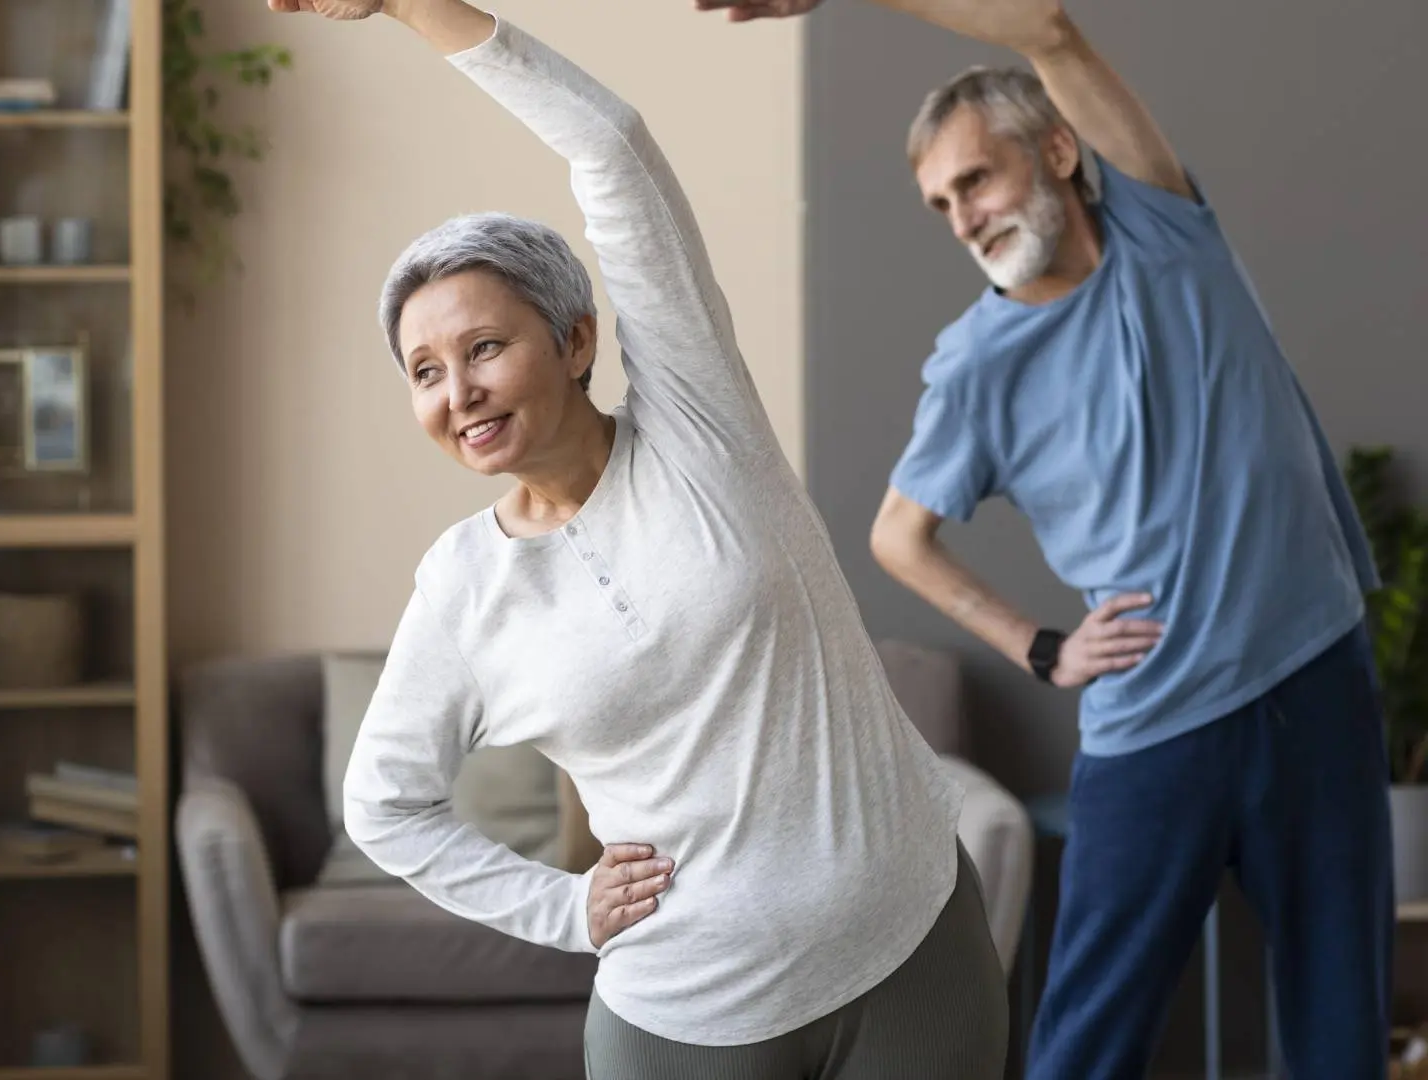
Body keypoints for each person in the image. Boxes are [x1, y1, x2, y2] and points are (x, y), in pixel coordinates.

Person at [266, 1, 1007, 1077]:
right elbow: (384, 805)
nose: (458, 390)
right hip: (685, 1022)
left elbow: (608, 143)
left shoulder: (701, 428)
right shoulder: (464, 586)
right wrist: (564, 909)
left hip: (914, 957)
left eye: (483, 346)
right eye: (425, 372)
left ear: (573, 340)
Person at [699, 0, 1396, 1076]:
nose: (963, 216)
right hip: (1159, 730)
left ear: (1059, 151)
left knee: (1340, 1033)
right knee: (1087, 1049)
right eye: (941, 203)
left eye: (974, 180)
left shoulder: (1167, 230)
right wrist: (1040, 646)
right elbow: (897, 536)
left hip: (1317, 683)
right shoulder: (975, 366)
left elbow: (1048, 27)